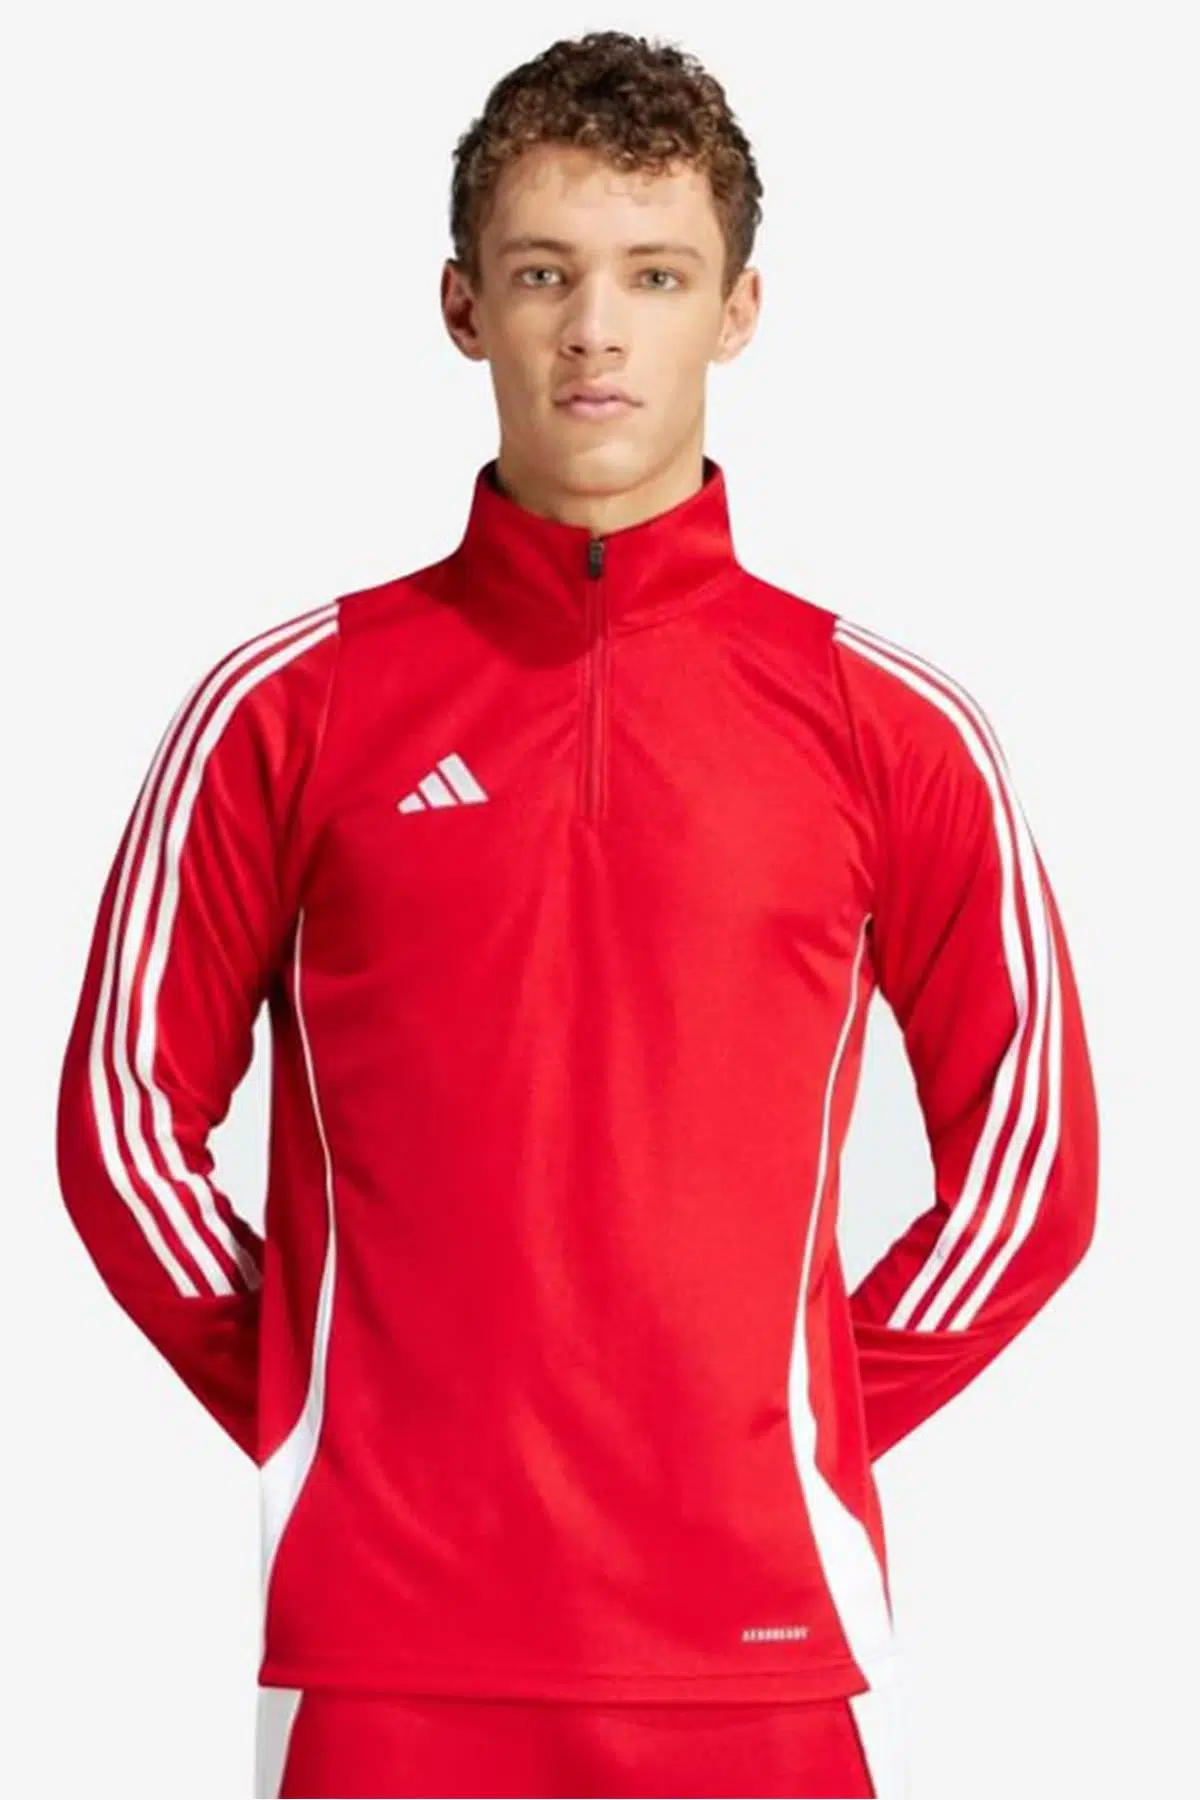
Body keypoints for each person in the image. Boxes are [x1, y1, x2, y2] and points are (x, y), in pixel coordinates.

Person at [54, 28, 1099, 1800]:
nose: (596, 329)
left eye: (655, 276)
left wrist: (785, 1434)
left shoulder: (887, 728)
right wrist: (330, 1411)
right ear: (463, 306)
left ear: (739, 310)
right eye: (545, 274)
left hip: (759, 1656)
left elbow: (1032, 1167)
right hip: (388, 1657)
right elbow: (117, 1126)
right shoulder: (290, 709)